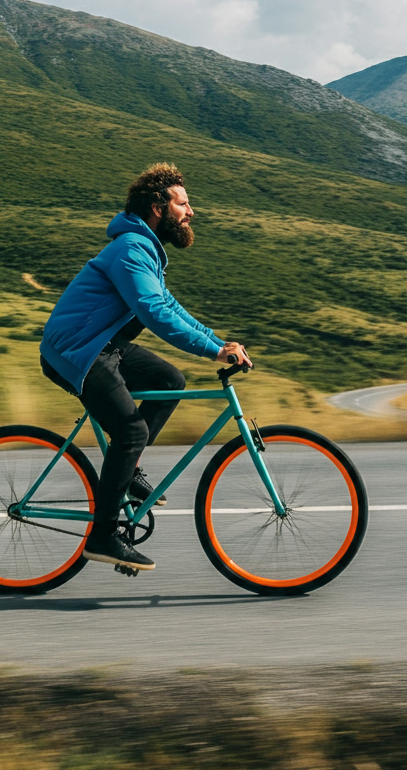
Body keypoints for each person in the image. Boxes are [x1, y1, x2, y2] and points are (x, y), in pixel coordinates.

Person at [39, 163, 251, 573]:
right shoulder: (131, 250)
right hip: (77, 352)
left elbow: (168, 304)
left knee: (169, 380)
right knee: (131, 430)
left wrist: (216, 341)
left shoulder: (144, 248)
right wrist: (212, 352)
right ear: (158, 207)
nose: (191, 212)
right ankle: (103, 537)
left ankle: (126, 472)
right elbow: (153, 312)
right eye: (183, 204)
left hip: (104, 347)